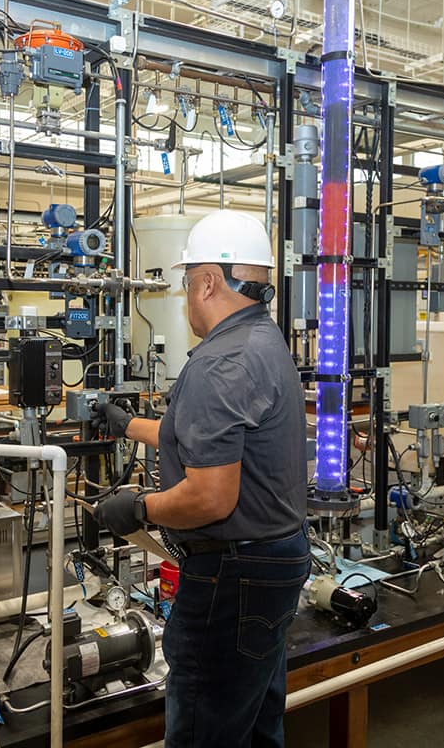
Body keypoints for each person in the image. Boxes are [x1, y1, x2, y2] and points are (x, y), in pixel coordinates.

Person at [94, 210, 311, 748]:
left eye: (187, 283)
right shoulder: (263, 341)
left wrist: (139, 507)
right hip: (275, 561)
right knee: (255, 721)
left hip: (232, 575)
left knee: (204, 731)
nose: (187, 297)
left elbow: (211, 496)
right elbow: (211, 433)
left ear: (209, 282)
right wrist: (129, 426)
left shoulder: (219, 362)